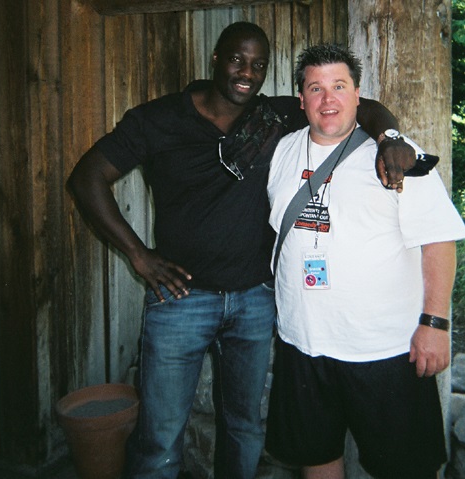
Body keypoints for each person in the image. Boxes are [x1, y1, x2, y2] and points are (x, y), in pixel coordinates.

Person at [67, 22, 416, 479]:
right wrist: (138, 254)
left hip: (254, 299)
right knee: (160, 436)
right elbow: (86, 178)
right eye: (236, 59)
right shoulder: (157, 119)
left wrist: (390, 138)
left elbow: (362, 108)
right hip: (180, 302)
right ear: (216, 59)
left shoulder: (274, 115)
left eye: (258, 65)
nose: (246, 72)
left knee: (244, 427)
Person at [265, 43, 465, 479]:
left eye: (339, 86)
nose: (327, 99)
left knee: (405, 467)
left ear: (359, 96)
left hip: (386, 349)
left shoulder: (397, 157)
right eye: (315, 88)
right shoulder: (282, 152)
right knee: (316, 455)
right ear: (301, 100)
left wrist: (434, 324)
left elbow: (439, 240)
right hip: (304, 343)